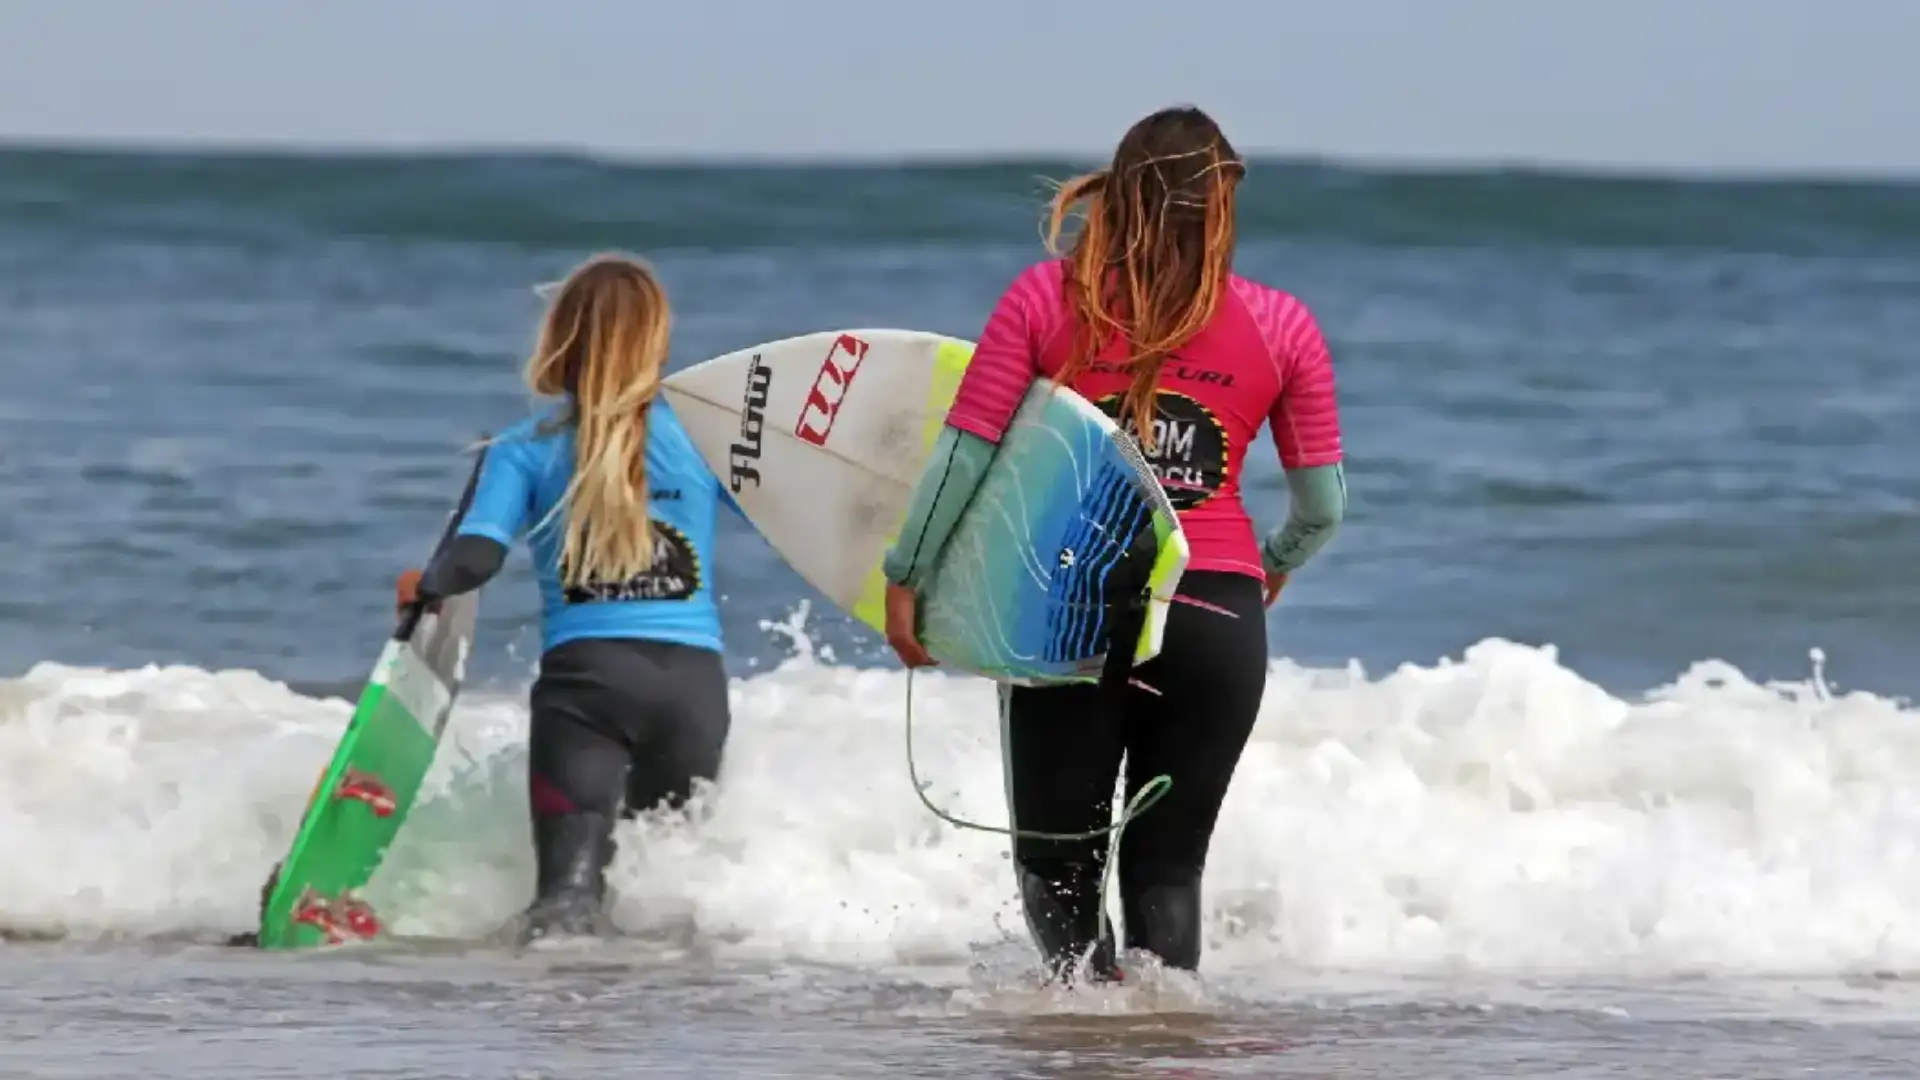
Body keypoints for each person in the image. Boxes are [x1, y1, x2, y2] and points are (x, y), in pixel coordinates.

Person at [880, 106, 1348, 983]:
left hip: (1070, 615)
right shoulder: (1284, 327)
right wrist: (1271, 565)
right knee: (1169, 871)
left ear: (1119, 191)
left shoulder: (1042, 299)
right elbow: (1323, 506)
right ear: (1223, 205)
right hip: (1216, 617)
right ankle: (1160, 1048)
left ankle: (1081, 1046)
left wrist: (908, 574)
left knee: (1058, 871)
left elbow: (961, 461)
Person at [395, 252, 740, 945]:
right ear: (657, 342)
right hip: (694, 694)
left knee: (567, 902)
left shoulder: (524, 449)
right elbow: (807, 518)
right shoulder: (711, 440)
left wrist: (424, 586)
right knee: (666, 909)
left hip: (587, 692)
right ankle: (679, 1038)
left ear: (560, 338)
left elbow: (474, 558)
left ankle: (570, 1041)